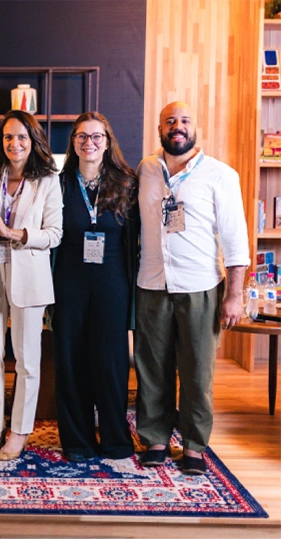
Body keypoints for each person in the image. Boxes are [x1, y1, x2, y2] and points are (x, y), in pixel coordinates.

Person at [135, 101, 249, 475]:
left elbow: (235, 240)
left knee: (197, 372)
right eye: (170, 121)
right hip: (151, 284)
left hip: (201, 287)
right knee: (152, 368)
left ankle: (195, 445)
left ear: (195, 128)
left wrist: (235, 295)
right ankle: (154, 437)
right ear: (160, 128)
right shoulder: (146, 170)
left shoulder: (220, 175)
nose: (177, 127)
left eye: (184, 120)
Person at [0, 110, 63, 460]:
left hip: (30, 278)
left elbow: (54, 234)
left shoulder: (48, 180)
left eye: (21, 137)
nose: (14, 143)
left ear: (33, 141)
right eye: (8, 137)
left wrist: (13, 233)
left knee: (26, 360)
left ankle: (19, 432)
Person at [52, 112, 138, 462]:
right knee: (71, 361)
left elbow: (135, 241)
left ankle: (116, 440)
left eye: (96, 136)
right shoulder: (58, 184)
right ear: (72, 142)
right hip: (69, 283)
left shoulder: (126, 183)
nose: (89, 143)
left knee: (111, 362)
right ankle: (78, 442)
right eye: (81, 137)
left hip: (112, 283)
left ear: (108, 140)